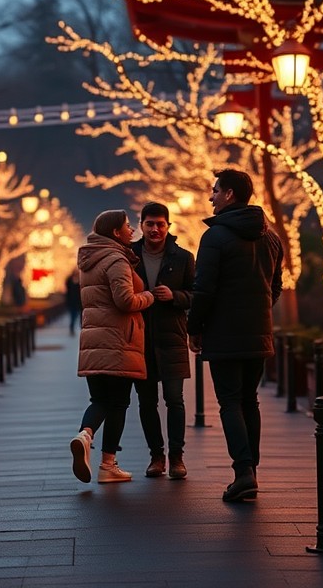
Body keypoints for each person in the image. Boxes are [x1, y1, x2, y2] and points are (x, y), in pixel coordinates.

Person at [187, 169, 283, 503]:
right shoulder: (270, 237)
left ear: (229, 194)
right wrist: (258, 311)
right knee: (248, 400)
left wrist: (194, 328)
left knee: (229, 402)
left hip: (224, 335)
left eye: (214, 191)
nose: (210, 197)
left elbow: (203, 290)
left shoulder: (215, 237)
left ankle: (243, 473)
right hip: (259, 334)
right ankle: (250, 471)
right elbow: (276, 287)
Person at [69, 210, 154, 484]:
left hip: (94, 341)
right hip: (118, 340)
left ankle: (85, 435)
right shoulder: (115, 259)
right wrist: (149, 296)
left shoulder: (88, 260)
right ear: (116, 233)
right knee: (119, 403)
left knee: (100, 400)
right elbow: (125, 301)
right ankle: (107, 464)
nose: (133, 231)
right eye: (128, 227)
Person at [132, 201, 195, 479]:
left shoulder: (182, 257)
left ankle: (177, 457)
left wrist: (176, 297)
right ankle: (156, 457)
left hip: (172, 336)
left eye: (160, 224)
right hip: (139, 337)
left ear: (168, 226)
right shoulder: (128, 256)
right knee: (146, 402)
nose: (155, 229)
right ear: (141, 225)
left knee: (174, 399)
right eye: (150, 224)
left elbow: (197, 294)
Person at [65, 266, 82, 335]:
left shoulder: (81, 279)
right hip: (72, 302)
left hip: (80, 302)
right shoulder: (69, 279)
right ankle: (71, 329)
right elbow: (67, 291)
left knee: (81, 318)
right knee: (73, 317)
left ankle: (82, 330)